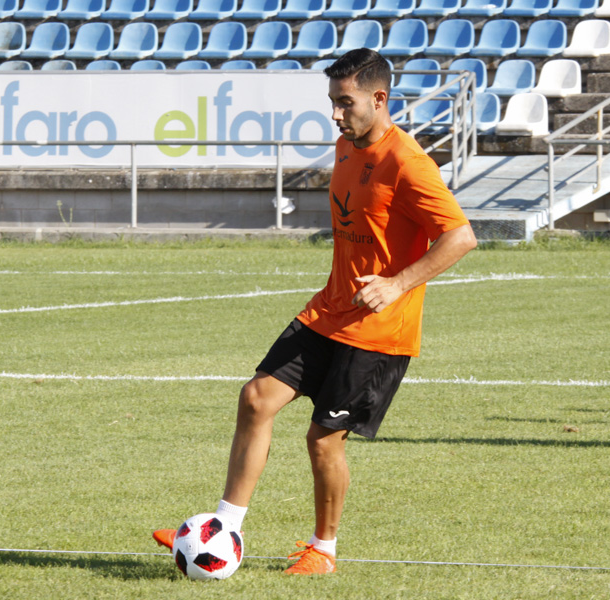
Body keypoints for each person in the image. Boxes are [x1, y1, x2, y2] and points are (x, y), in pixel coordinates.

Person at [153, 48, 477, 575]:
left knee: (322, 440)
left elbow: (461, 237)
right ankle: (222, 529)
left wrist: (396, 284)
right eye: (332, 102)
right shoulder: (346, 147)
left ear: (379, 99)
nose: (335, 114)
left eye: (345, 103)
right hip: (328, 310)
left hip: (377, 332)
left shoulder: (409, 162)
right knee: (256, 398)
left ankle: (322, 550)